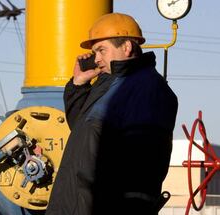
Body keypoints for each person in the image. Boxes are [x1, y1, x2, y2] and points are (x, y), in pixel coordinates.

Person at [46, 13, 178, 215]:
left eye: (101, 50)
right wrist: (79, 84)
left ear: (126, 47)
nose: (96, 59)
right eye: (95, 52)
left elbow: (140, 168)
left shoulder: (148, 89)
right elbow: (82, 131)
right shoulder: (108, 84)